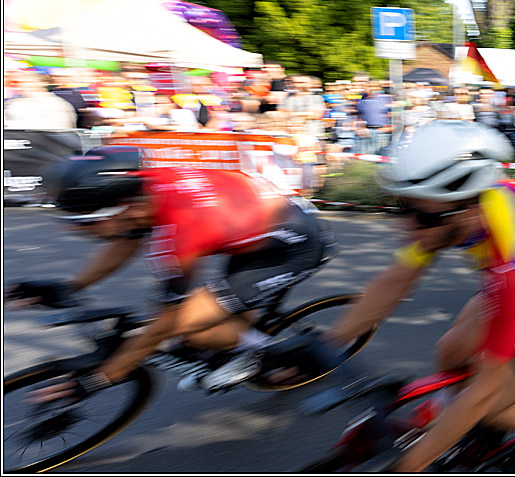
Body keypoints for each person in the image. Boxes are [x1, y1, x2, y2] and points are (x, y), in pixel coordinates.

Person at [317, 120, 515, 472]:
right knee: (450, 350)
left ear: (466, 207)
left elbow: (484, 391)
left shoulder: (513, 260)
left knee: (489, 404)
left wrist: (409, 465)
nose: (407, 227)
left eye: (422, 217)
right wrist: (327, 343)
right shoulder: (455, 210)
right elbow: (397, 278)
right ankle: (461, 429)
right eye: (403, 207)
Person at [5, 146, 335, 403]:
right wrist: (71, 286)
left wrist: (98, 380)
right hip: (256, 230)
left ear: (125, 208)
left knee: (189, 330)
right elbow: (126, 237)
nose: (76, 231)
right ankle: (242, 339)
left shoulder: (180, 232)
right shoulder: (140, 193)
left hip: (293, 246)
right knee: (216, 318)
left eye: (85, 222)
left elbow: (165, 324)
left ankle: (268, 355)